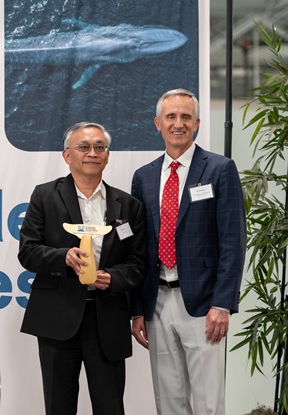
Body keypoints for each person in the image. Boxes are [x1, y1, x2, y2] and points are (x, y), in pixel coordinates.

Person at [130, 88, 246, 415]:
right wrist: (136, 309)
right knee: (169, 402)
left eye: (185, 117)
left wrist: (222, 304)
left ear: (197, 123)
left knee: (209, 403)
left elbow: (233, 241)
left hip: (204, 304)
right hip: (156, 301)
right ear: (158, 123)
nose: (178, 123)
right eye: (171, 116)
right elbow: (137, 247)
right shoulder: (144, 177)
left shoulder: (220, 169)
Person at [19, 122, 146, 415]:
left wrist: (113, 277)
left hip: (107, 319)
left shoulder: (128, 206)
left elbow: (138, 263)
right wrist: (63, 257)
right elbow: (28, 252)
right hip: (57, 316)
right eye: (84, 147)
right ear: (67, 155)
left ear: (107, 156)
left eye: (100, 147)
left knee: (110, 406)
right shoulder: (45, 196)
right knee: (59, 407)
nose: (93, 153)